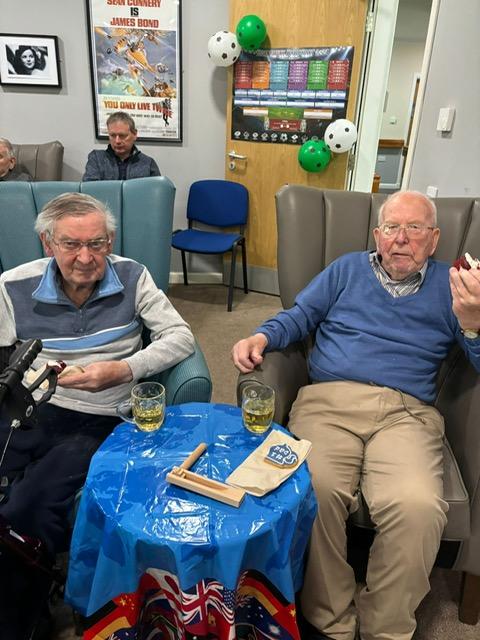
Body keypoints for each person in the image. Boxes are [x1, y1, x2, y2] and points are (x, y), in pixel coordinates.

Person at [232, 190, 480, 640]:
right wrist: (262, 337)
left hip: (407, 413)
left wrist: (473, 322)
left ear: (435, 237)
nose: (401, 239)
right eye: (391, 228)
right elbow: (300, 315)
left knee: (419, 507)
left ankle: (386, 628)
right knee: (315, 490)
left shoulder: (455, 286)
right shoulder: (346, 269)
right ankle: (331, 621)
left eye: (415, 228)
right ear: (377, 234)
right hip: (329, 400)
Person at [0, 192, 194, 639]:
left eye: (98, 243)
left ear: (110, 241)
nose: (86, 258)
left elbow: (180, 337)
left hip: (102, 415)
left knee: (32, 502)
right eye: (71, 245)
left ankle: (22, 619)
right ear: (48, 244)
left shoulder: (133, 275)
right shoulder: (13, 284)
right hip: (31, 406)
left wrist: (123, 370)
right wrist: (32, 374)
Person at [83, 111, 161, 181]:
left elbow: (156, 193)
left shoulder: (147, 163)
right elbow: (89, 191)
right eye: (113, 135)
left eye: (122, 135)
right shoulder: (97, 159)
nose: (117, 141)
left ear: (134, 134)